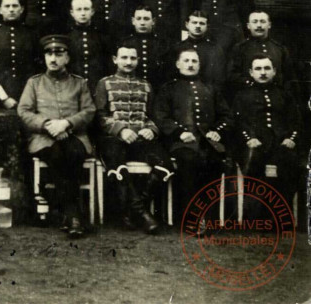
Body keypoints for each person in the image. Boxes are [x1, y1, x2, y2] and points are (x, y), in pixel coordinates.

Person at [17, 35, 96, 238]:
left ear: (67, 58)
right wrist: (47, 124)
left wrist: (66, 123)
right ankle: (73, 214)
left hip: (74, 136)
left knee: (74, 152)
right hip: (44, 138)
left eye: (59, 54)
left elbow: (89, 111)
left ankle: (68, 214)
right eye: (49, 54)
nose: (53, 59)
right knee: (57, 155)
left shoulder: (79, 83)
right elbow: (24, 111)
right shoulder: (34, 83)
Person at [95, 45, 171, 234]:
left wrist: (151, 130)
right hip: (114, 139)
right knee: (117, 164)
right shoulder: (104, 84)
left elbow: (154, 116)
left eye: (132, 58)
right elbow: (99, 115)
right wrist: (120, 130)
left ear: (137, 60)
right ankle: (143, 214)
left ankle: (133, 212)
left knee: (165, 165)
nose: (128, 62)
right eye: (124, 58)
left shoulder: (146, 85)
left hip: (141, 139)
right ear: (115, 59)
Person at [154, 48, 232, 227]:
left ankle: (208, 216)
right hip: (179, 143)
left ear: (199, 64)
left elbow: (226, 116)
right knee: (189, 162)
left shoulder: (210, 88)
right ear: (178, 64)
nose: (190, 64)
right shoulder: (169, 88)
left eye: (194, 61)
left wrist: (217, 131)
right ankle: (190, 218)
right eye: (186, 61)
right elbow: (161, 116)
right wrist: (179, 132)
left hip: (208, 142)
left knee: (215, 162)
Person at [232, 55, 301, 206]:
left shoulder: (284, 95)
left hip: (280, 143)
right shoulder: (242, 96)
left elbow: (295, 121)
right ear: (251, 72)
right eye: (258, 69)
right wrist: (248, 138)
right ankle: (257, 217)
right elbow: (238, 121)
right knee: (253, 162)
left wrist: (291, 138)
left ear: (274, 71)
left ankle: (281, 214)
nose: (263, 72)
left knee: (291, 162)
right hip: (253, 143)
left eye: (267, 68)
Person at [0, 0, 41, 108]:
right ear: (0, 10)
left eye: (15, 6)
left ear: (21, 9)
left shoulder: (31, 35)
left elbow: (38, 69)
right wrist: (4, 98)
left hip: (29, 98)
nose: (11, 9)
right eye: (7, 6)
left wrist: (28, 97)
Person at [228, 11, 297, 96]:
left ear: (269, 25)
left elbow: (289, 76)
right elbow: (231, 75)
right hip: (249, 97)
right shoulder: (240, 48)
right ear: (248, 26)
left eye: (263, 21)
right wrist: (249, 83)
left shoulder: (279, 49)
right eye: (255, 22)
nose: (259, 25)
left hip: (277, 98)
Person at [166, 11, 226, 93]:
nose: (198, 26)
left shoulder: (214, 49)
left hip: (207, 94)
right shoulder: (177, 48)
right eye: (194, 22)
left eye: (202, 23)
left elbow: (219, 78)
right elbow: (170, 76)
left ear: (207, 26)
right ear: (187, 24)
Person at [66, 0, 111, 95]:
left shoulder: (101, 37)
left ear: (92, 12)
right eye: (79, 9)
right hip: (73, 89)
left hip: (96, 88)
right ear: (72, 13)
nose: (83, 13)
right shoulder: (67, 38)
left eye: (86, 9)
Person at [120, 6, 167, 88]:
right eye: (138, 19)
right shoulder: (124, 43)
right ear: (133, 21)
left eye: (146, 19)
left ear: (153, 21)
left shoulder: (162, 44)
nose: (142, 22)